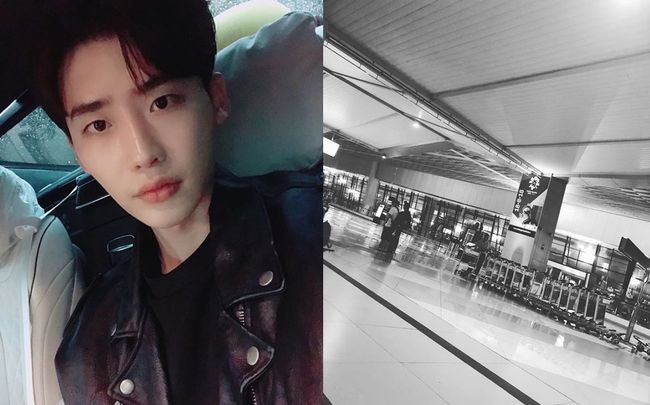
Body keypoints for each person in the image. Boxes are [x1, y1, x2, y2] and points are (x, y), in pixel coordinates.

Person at [28, 1, 322, 404]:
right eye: (99, 125)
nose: (143, 152)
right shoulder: (87, 351)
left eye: (162, 102)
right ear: (78, 152)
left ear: (216, 99)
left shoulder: (312, 246)